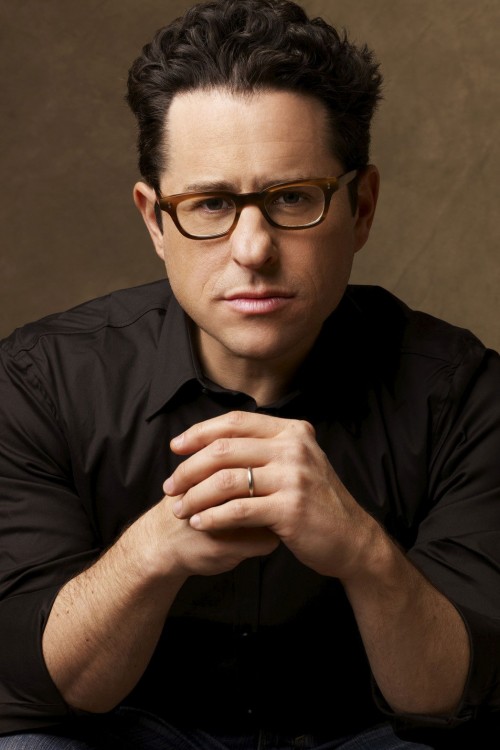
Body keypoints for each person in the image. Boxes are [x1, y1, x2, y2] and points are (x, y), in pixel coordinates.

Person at [0, 0, 499, 747]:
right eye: (210, 204)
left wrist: (362, 553)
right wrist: (151, 552)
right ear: (155, 221)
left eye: (292, 198)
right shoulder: (40, 382)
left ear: (361, 207)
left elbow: (448, 696)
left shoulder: (464, 393)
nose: (253, 249)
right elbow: (39, 690)